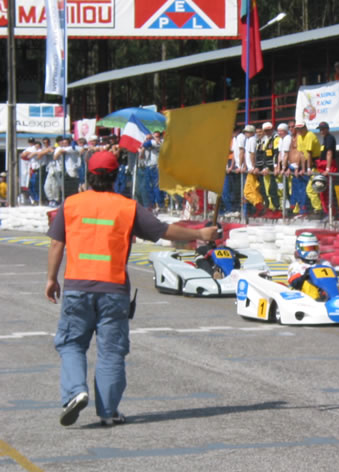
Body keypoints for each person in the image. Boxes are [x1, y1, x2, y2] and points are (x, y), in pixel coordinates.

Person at [45, 151, 219, 427]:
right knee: (111, 351)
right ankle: (108, 411)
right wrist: (199, 233)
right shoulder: (127, 207)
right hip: (114, 289)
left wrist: (51, 279)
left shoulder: (71, 204)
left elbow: (56, 244)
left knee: (71, 343)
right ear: (116, 177)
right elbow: (163, 231)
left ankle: (75, 391)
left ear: (88, 176)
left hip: (77, 286)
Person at [287, 232, 334, 299]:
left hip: (326, 292)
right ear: (299, 248)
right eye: (308, 248)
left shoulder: (324, 263)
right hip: (303, 297)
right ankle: (318, 298)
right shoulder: (295, 266)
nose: (312, 251)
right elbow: (294, 284)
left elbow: (334, 279)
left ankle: (336, 298)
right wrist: (305, 275)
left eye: (314, 248)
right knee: (307, 284)